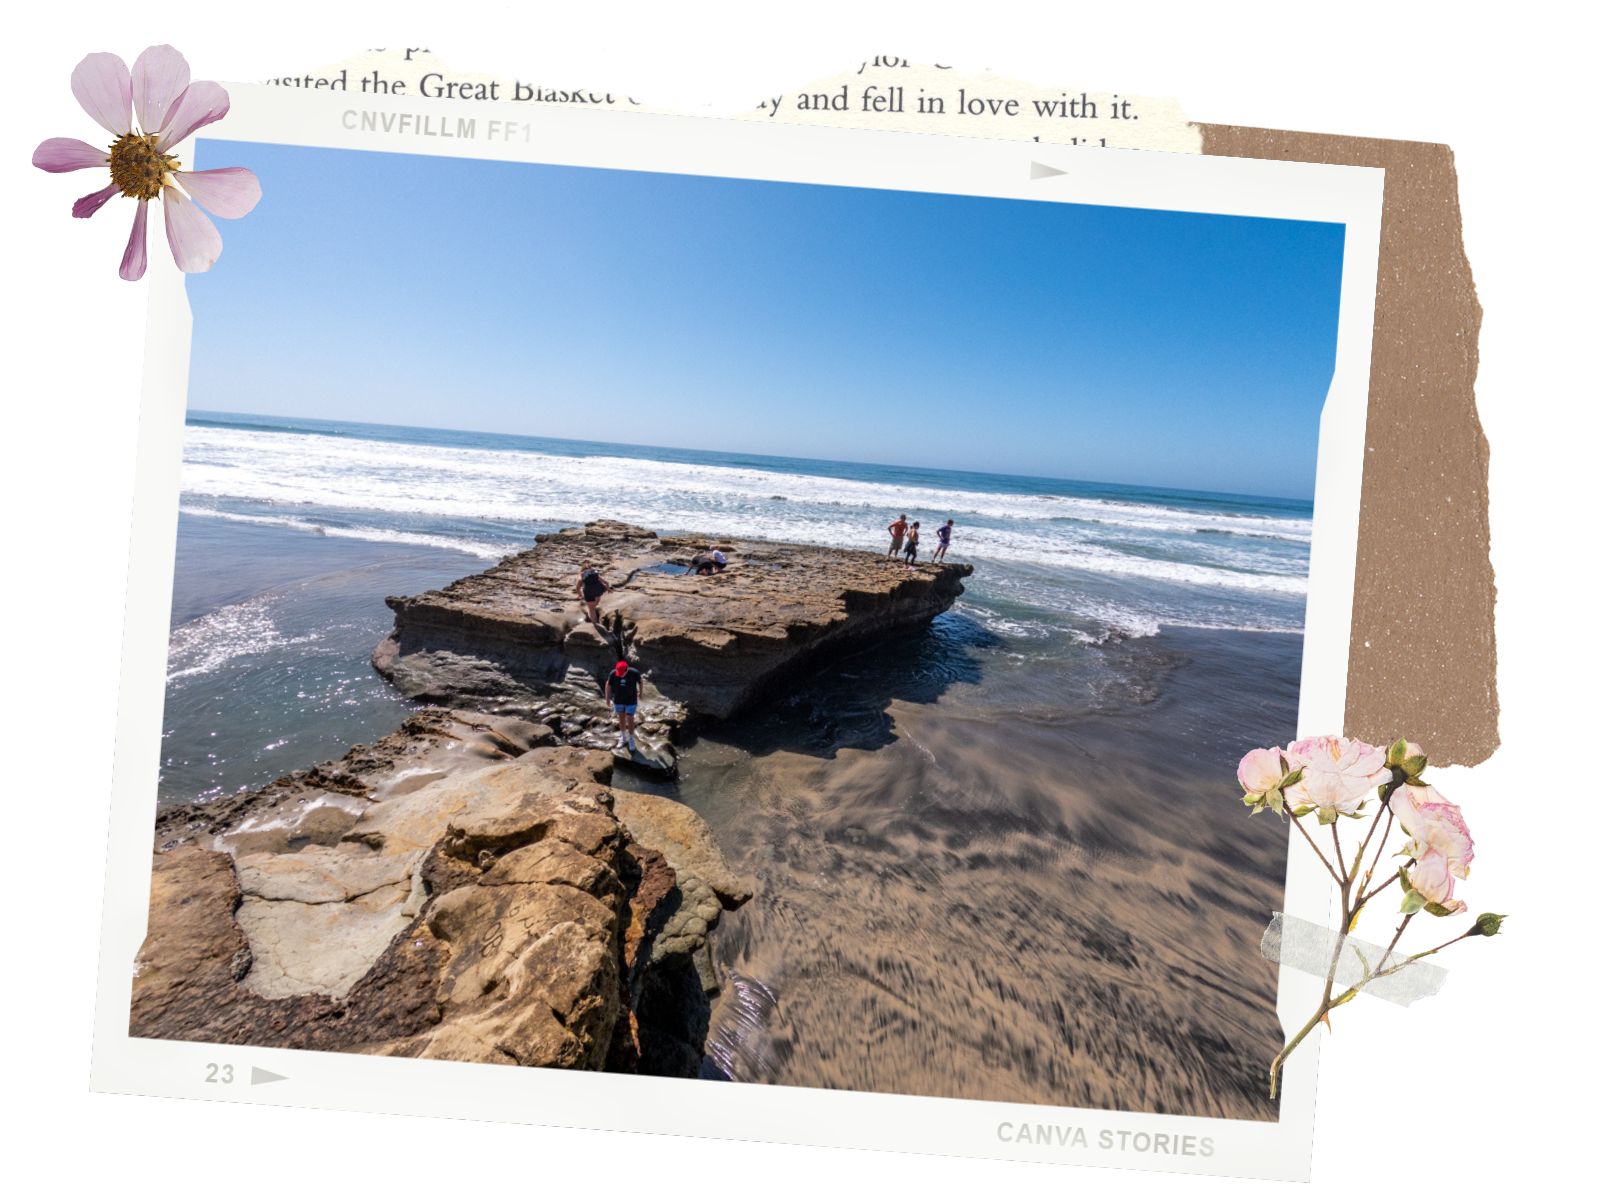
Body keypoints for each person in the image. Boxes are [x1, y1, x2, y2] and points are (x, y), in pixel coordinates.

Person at [603, 658, 643, 751]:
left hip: (631, 700)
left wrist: (641, 693)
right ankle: (623, 737)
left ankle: (631, 738)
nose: (620, 675)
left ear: (627, 669)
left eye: (622, 673)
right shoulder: (613, 673)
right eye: (619, 673)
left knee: (630, 718)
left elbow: (640, 682)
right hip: (618, 700)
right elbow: (608, 684)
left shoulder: (634, 672)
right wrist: (607, 698)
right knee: (621, 717)